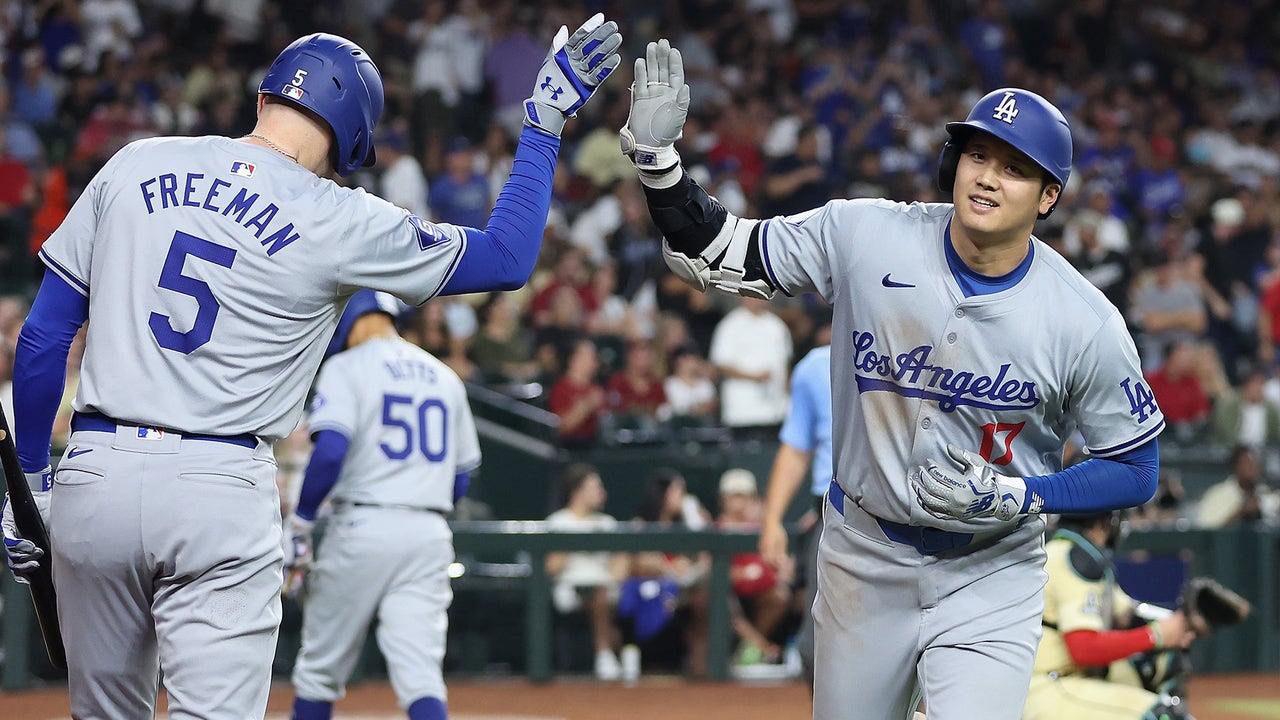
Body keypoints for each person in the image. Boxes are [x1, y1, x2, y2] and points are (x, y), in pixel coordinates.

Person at [0, 20, 622, 719]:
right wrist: (541, 125)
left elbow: (44, 337)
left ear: (265, 96)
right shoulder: (341, 215)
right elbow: (508, 257)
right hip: (219, 487)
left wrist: (30, 484)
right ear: (353, 136)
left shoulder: (136, 162)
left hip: (97, 474)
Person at [619, 41, 1164, 719]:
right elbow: (718, 249)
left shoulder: (1084, 319)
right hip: (863, 557)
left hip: (990, 571)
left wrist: (1027, 495)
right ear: (952, 163)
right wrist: (658, 164)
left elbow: (1136, 468)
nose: (989, 177)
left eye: (1016, 169)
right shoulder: (864, 234)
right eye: (979, 155)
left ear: (1049, 195)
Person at [285, 291, 480, 720]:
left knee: (319, 671)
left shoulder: (346, 367)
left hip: (364, 524)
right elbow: (463, 475)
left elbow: (331, 451)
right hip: (428, 531)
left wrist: (301, 519)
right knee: (422, 675)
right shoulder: (444, 375)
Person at [1024, 511, 1198, 720]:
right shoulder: (1074, 558)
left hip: (1056, 681)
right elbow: (1083, 648)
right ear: (1101, 522)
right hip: (1050, 687)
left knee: (1158, 662)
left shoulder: (1070, 550)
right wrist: (1156, 635)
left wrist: (1187, 623)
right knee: (1164, 716)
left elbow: (1128, 615)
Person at [758, 328, 832, 689]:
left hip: (913, 515)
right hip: (834, 515)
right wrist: (772, 522)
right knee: (815, 648)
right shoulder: (816, 366)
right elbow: (795, 449)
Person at [544, 462, 628, 680]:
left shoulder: (607, 523)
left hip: (607, 587)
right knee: (598, 592)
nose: (602, 493)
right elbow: (551, 567)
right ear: (577, 493)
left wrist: (614, 575)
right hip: (570, 589)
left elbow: (621, 561)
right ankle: (606, 653)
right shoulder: (559, 522)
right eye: (595, 488)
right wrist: (575, 543)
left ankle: (620, 656)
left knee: (610, 591)